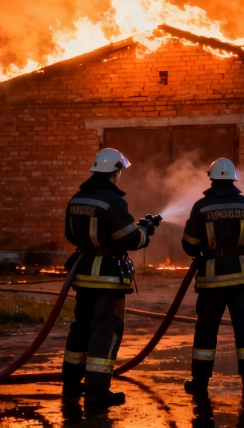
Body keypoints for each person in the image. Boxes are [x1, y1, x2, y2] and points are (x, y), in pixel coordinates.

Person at [60, 148, 160, 407]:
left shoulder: (78, 198)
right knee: (105, 332)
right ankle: (96, 393)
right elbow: (131, 239)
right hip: (107, 278)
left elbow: (71, 235)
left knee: (80, 329)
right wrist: (145, 230)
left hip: (83, 275)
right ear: (114, 172)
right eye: (120, 172)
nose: (120, 176)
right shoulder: (113, 202)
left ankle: (71, 386)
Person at [181, 158, 244, 398]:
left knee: (206, 331)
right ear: (233, 179)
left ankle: (200, 383)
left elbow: (189, 245)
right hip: (242, 279)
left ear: (211, 178)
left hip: (211, 281)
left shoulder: (201, 206)